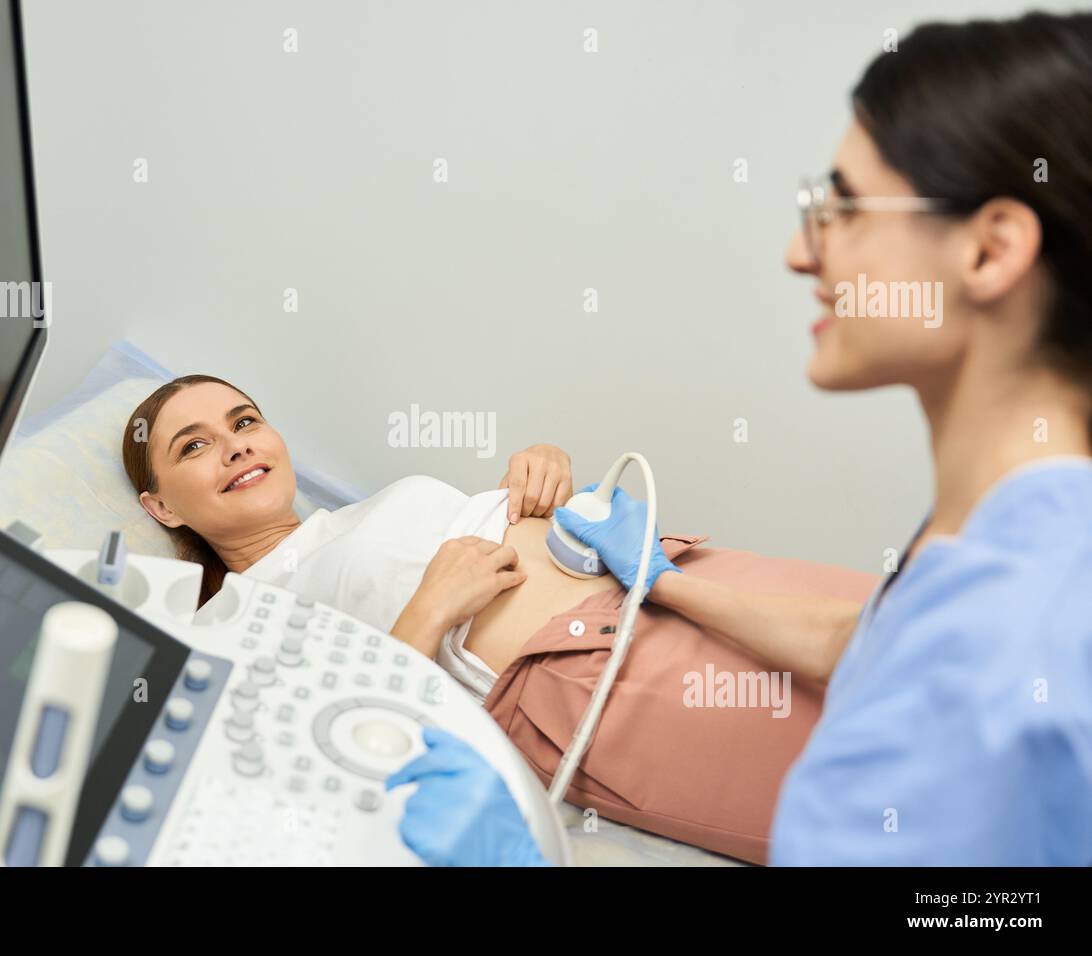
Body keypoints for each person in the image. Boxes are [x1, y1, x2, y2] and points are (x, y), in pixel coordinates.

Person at [387, 10, 1092, 866]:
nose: (801, 253)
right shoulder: (1014, 535)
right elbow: (867, 643)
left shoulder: (1019, 633)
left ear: (990, 251)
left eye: (840, 208)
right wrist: (667, 583)